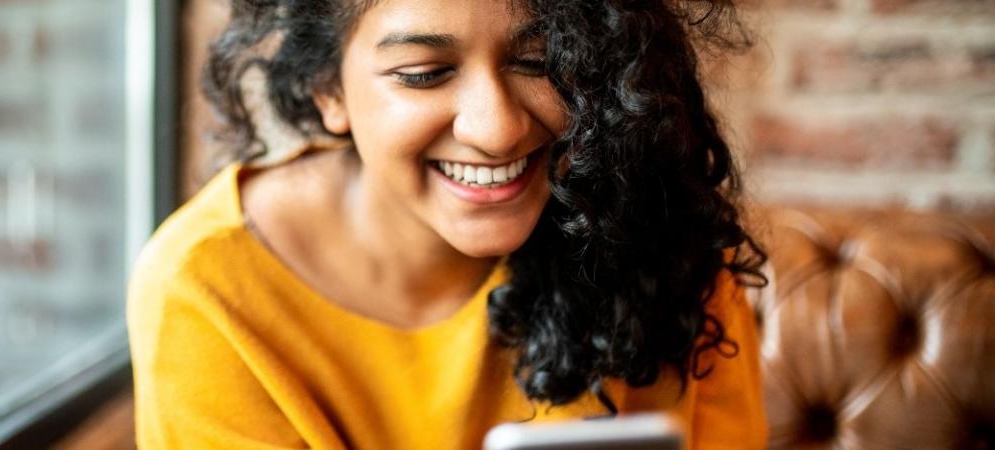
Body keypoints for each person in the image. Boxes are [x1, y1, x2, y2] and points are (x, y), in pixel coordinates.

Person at [127, 0, 769, 448]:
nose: (496, 130)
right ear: (328, 90)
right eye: (424, 75)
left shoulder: (658, 227)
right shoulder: (207, 290)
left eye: (541, 61)